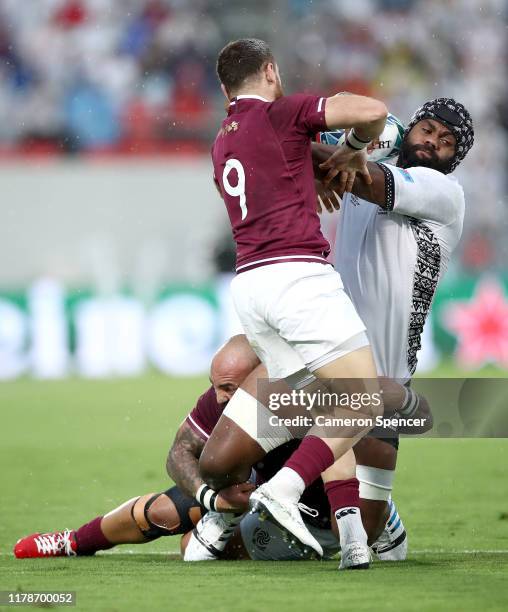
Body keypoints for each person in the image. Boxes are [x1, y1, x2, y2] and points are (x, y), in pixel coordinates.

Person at [199, 98, 473, 562]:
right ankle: (252, 498)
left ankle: (376, 517)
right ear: (407, 130)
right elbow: (337, 169)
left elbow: (364, 178)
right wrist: (323, 155)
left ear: (454, 159)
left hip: (379, 383)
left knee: (360, 532)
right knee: (218, 464)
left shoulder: (442, 194)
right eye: (427, 129)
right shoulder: (360, 169)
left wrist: (302, 147)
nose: (432, 143)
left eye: (446, 143)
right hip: (315, 363)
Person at [211, 37, 388, 568]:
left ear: (224, 90)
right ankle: (283, 490)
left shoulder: (222, 140)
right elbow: (372, 111)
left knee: (329, 406)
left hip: (250, 285)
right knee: (364, 399)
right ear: (270, 70)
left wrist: (306, 163)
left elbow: (268, 172)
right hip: (297, 278)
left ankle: (352, 535)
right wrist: (354, 145)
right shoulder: (283, 112)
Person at [13, 337, 408, 562]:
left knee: (195, 549)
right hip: (261, 497)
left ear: (259, 379)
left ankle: (382, 520)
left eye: (231, 390)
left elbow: (349, 450)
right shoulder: (220, 400)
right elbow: (179, 453)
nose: (220, 401)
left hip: (330, 512)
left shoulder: (305, 392)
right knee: (166, 514)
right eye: (215, 386)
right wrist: (212, 500)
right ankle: (72, 541)